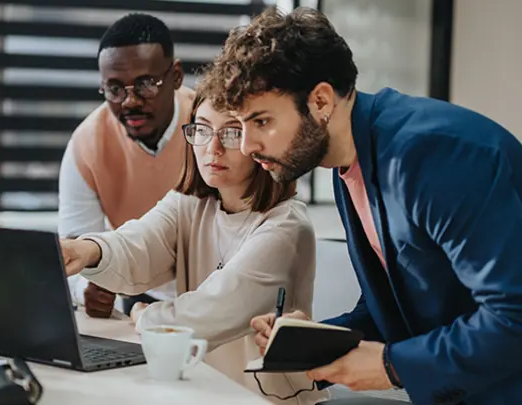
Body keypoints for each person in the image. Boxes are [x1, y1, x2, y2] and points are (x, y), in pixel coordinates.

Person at [197, 6, 522, 405]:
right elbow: (397, 303)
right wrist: (313, 342)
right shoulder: (347, 162)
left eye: (261, 121)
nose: (247, 145)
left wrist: (391, 366)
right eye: (241, 125)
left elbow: (514, 316)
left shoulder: (433, 154)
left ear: (319, 101)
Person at [60, 94, 327, 404]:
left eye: (230, 132)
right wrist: (85, 250)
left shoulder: (286, 227)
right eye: (202, 129)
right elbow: (138, 243)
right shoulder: (190, 204)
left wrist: (142, 313)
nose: (212, 148)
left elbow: (207, 313)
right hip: (205, 393)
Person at [59, 13, 195, 318]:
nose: (130, 102)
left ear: (175, 76)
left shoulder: (210, 128)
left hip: (211, 292)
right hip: (137, 297)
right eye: (115, 89)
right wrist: (87, 288)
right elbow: (74, 247)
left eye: (145, 84)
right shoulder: (86, 144)